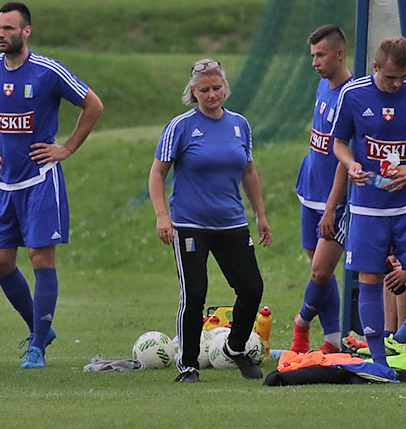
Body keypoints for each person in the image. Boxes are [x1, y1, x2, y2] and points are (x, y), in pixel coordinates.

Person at [0, 1, 103, 369]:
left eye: (9, 29)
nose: (0, 35)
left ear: (26, 32)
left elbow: (93, 105)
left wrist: (67, 147)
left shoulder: (47, 71)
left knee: (41, 258)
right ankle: (39, 326)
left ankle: (37, 347)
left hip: (41, 180)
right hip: (2, 182)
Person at [149, 58, 272, 383]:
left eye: (217, 88)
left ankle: (234, 347)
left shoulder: (239, 125)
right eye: (204, 89)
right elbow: (157, 174)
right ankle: (188, 365)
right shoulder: (181, 126)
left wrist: (260, 215)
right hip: (190, 224)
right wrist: (163, 216)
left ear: (225, 88)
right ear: (194, 91)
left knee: (251, 288)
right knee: (195, 294)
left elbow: (249, 171)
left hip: (231, 221)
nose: (212, 94)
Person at [331, 36, 406, 369]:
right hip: (369, 205)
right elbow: (339, 143)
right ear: (376, 67)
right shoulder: (353, 95)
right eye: (390, 77)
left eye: (402, 77)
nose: (397, 84)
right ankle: (379, 361)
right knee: (369, 277)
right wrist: (351, 164)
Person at [290, 24, 353, 354]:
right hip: (309, 191)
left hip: (334, 200)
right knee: (321, 273)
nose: (314, 62)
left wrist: (332, 206)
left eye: (320, 55)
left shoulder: (352, 95)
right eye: (312, 55)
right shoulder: (322, 85)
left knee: (320, 271)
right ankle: (332, 339)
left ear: (339, 54)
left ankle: (301, 324)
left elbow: (345, 158)